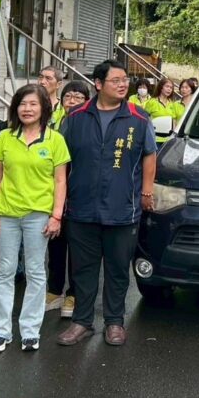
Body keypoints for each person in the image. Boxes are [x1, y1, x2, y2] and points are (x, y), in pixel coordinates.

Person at [56, 60, 157, 347]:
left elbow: (150, 155)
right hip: (82, 207)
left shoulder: (138, 117)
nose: (123, 84)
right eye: (116, 80)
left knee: (116, 268)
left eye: (125, 79)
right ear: (98, 85)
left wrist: (146, 192)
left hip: (122, 208)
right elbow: (61, 161)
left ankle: (114, 322)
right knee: (83, 269)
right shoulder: (75, 118)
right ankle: (82, 321)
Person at [0, 85, 70, 353]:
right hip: (8, 212)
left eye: (33, 104)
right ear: (15, 108)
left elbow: (60, 180)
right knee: (5, 271)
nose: (27, 109)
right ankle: (0, 331)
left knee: (35, 272)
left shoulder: (54, 140)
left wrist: (56, 215)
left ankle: (30, 331)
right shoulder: (5, 137)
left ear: (44, 108)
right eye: (22, 104)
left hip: (39, 215)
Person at [46, 80, 89, 317]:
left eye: (78, 97)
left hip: (77, 192)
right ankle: (54, 290)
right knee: (55, 241)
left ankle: (73, 294)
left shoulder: (87, 123)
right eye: (68, 97)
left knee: (77, 245)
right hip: (53, 191)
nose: (72, 101)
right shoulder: (53, 119)